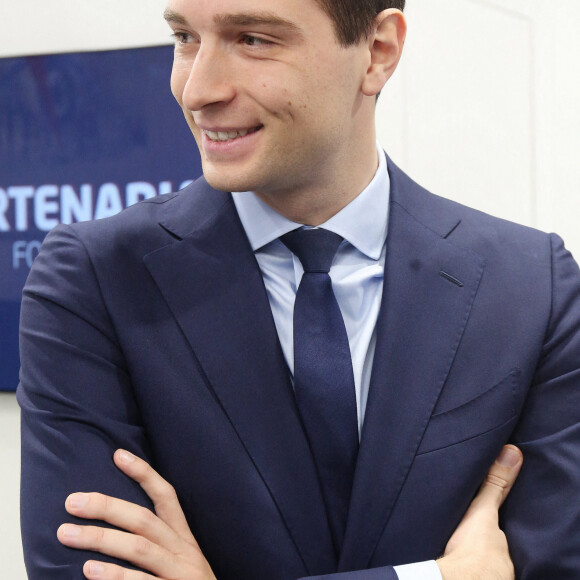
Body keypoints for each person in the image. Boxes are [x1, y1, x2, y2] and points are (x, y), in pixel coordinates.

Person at [17, 0, 580, 578]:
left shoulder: (533, 285)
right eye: (185, 37)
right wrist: (434, 577)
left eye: (254, 39)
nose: (197, 89)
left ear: (378, 51)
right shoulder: (96, 280)